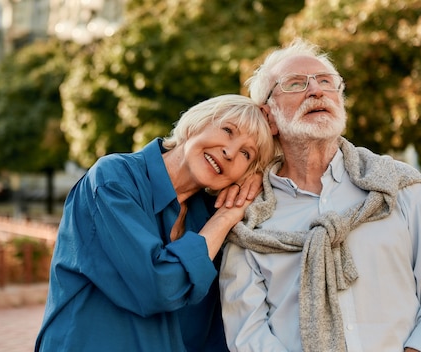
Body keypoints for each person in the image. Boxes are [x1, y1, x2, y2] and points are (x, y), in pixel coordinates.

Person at [219, 38, 421, 352]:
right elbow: (247, 332)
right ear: (269, 117)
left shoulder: (401, 188)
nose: (316, 91)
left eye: (326, 82)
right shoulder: (248, 215)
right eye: (295, 84)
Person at [35, 94, 276, 352]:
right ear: (196, 123)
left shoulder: (206, 215)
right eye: (228, 130)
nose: (229, 152)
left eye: (246, 154)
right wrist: (227, 216)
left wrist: (262, 178)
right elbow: (159, 286)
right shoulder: (113, 180)